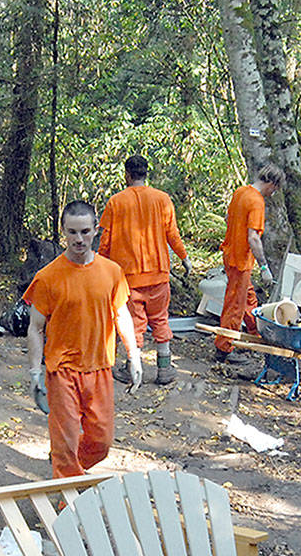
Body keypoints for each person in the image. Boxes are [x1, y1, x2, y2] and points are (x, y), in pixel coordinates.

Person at [25, 201, 142, 479]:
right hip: (62, 370)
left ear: (95, 231)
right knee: (65, 444)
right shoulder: (48, 277)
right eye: (73, 232)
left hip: (100, 367)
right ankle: (67, 500)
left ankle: (66, 468)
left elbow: (121, 313)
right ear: (63, 231)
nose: (79, 239)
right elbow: (35, 328)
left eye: (85, 232)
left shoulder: (111, 272)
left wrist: (134, 355)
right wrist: (34, 373)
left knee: (101, 443)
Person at [98, 155, 193, 385]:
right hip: (159, 273)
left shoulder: (116, 202)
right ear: (145, 173)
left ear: (127, 174)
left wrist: (99, 266)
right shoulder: (162, 199)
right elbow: (173, 234)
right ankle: (164, 369)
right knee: (161, 319)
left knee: (133, 323)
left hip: (128, 277)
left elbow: (105, 241)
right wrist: (185, 258)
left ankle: (132, 369)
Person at [215, 163, 284, 364]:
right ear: (271, 183)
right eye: (275, 189)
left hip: (230, 254)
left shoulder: (240, 192)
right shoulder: (256, 201)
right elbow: (253, 237)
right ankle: (224, 348)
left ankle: (257, 336)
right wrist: (264, 266)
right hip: (240, 260)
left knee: (248, 299)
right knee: (235, 306)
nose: (274, 193)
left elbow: (228, 218)